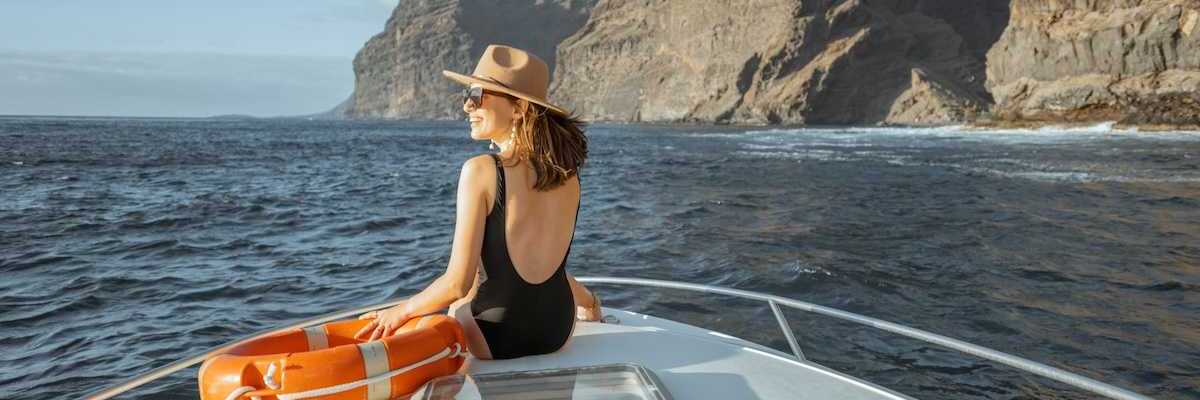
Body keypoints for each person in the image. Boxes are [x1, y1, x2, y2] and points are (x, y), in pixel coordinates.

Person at [354, 44, 602, 360]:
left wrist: (397, 313)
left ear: (519, 108)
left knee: (462, 299)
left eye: (478, 96)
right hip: (557, 329)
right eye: (467, 96)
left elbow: (455, 284)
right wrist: (590, 302)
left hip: (497, 336)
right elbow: (548, 268)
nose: (467, 107)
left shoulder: (482, 170)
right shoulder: (569, 176)